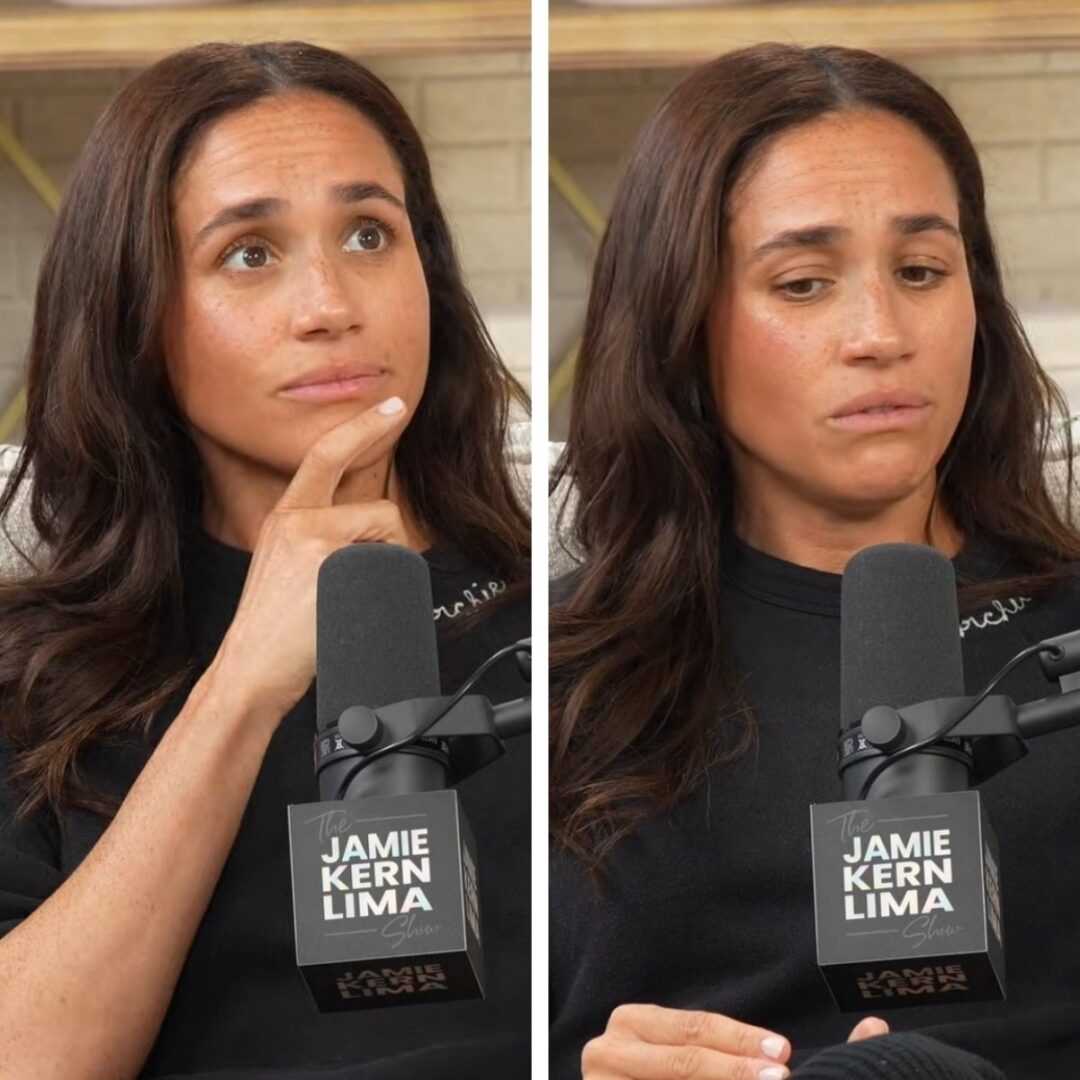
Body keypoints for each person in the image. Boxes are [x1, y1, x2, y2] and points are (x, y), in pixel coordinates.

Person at [0, 41, 531, 1080]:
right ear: (135, 310)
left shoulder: (578, 629)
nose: (330, 304)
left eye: (370, 234)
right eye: (249, 253)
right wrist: (243, 683)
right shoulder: (35, 682)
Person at [549, 42, 1080, 1080]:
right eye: (803, 283)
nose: (880, 333)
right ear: (682, 321)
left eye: (921, 271)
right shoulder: (544, 685)